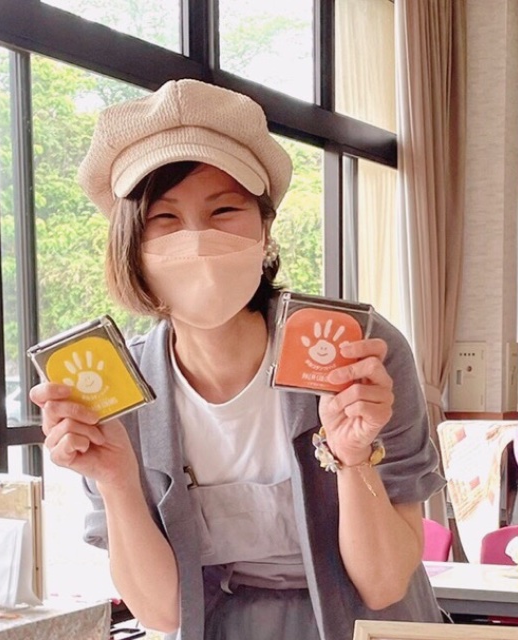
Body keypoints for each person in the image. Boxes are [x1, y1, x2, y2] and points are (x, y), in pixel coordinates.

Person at [30, 79, 446, 640]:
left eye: (224, 210)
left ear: (265, 228)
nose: (197, 240)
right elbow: (162, 614)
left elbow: (384, 583)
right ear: (132, 245)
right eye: (165, 219)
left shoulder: (353, 350)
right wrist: (116, 480)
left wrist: (352, 458)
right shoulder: (118, 389)